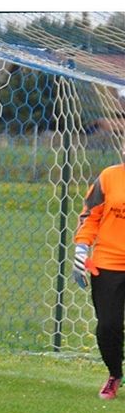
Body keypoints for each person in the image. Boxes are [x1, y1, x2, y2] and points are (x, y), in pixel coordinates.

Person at [72, 141, 125, 399]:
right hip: (107, 264)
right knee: (108, 325)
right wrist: (81, 249)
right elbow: (90, 215)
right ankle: (114, 374)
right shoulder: (109, 177)